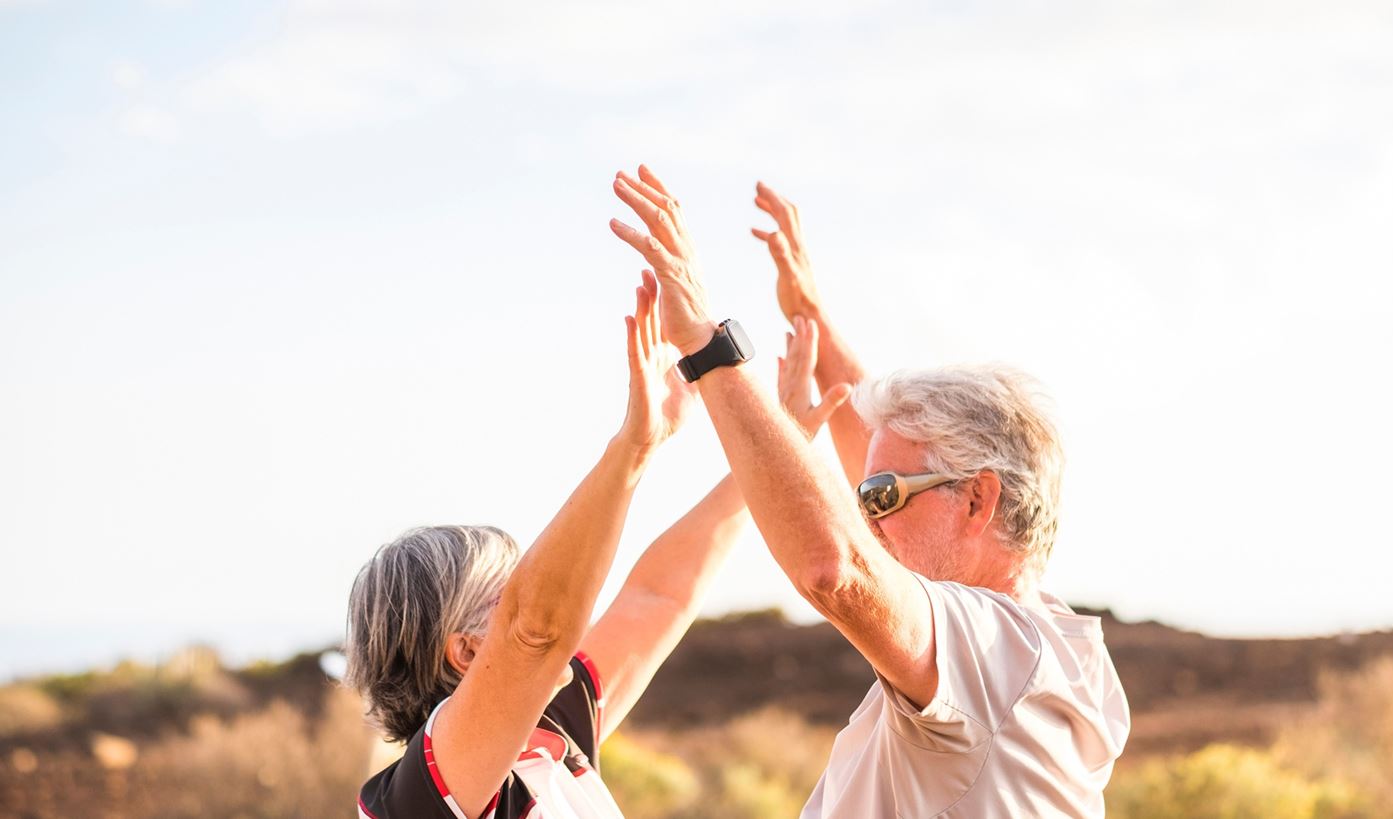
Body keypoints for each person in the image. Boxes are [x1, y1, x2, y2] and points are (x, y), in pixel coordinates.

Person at [610, 167, 1131, 818]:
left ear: (977, 501)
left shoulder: (990, 648)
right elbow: (881, 467)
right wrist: (811, 317)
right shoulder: (1058, 646)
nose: (866, 515)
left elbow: (837, 566)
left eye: (881, 498)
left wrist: (706, 347)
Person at [346, 272, 849, 818]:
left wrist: (776, 443)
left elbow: (659, 595)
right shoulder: (418, 794)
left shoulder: (552, 725)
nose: (546, 594)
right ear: (467, 652)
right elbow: (536, 630)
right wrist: (631, 447)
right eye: (514, 591)